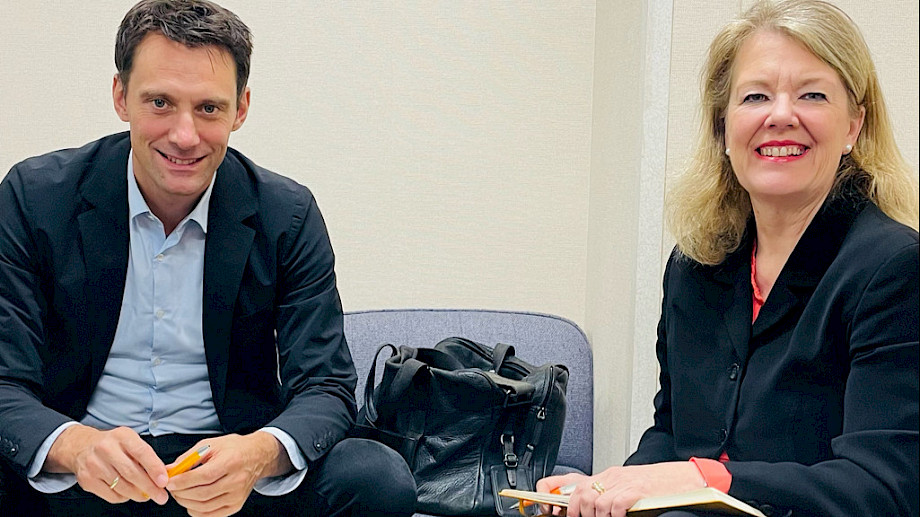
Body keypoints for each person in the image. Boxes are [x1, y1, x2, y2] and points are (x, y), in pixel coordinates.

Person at [0, 1, 416, 516]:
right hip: (81, 476)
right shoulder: (35, 197)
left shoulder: (286, 214)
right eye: (160, 102)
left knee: (376, 476)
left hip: (230, 480)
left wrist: (259, 454)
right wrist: (75, 446)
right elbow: (5, 379)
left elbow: (326, 386)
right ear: (120, 96)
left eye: (209, 108)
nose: (184, 135)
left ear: (241, 108)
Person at [538, 1, 918, 516]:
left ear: (853, 125)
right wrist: (606, 492)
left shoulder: (896, 269)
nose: (780, 115)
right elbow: (673, 434)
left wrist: (708, 478)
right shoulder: (694, 266)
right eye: (756, 96)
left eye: (812, 94)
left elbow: (885, 488)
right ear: (722, 128)